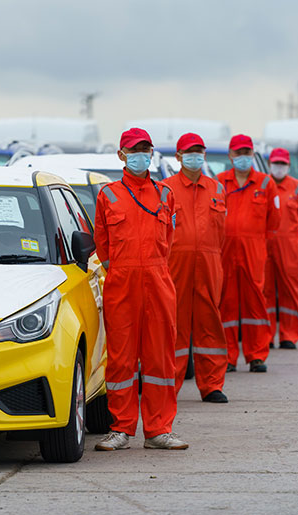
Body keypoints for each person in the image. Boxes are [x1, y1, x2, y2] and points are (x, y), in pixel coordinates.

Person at [94, 127, 188, 451]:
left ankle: (159, 430)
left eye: (145, 149)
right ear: (121, 155)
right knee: (120, 360)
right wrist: (121, 272)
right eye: (134, 150)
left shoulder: (165, 194)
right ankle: (120, 429)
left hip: (158, 281)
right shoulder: (108, 195)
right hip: (122, 283)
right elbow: (102, 245)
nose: (141, 155)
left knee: (160, 358)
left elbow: (169, 242)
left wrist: (154, 270)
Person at [164, 133, 229, 403]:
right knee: (173, 324)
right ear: (179, 157)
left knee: (209, 323)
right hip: (175, 263)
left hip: (209, 262)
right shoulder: (165, 189)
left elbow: (222, 233)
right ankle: (170, 384)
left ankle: (212, 384)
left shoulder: (216, 189)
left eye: (199, 151)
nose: (196, 156)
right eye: (190, 152)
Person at [217, 134, 280, 373]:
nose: (243, 157)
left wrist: (262, 245)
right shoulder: (220, 182)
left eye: (246, 153)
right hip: (225, 249)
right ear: (231, 155)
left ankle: (256, 355)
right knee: (227, 302)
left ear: (252, 155)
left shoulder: (265, 183)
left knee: (256, 302)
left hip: (254, 249)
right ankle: (229, 357)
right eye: (238, 153)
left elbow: (274, 220)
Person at [263, 147, 298, 349]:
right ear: (269, 164)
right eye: (275, 163)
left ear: (288, 166)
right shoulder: (263, 185)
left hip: (289, 246)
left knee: (290, 290)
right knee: (265, 291)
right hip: (264, 245)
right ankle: (267, 335)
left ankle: (289, 335)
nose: (279, 167)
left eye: (282, 164)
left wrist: (293, 242)